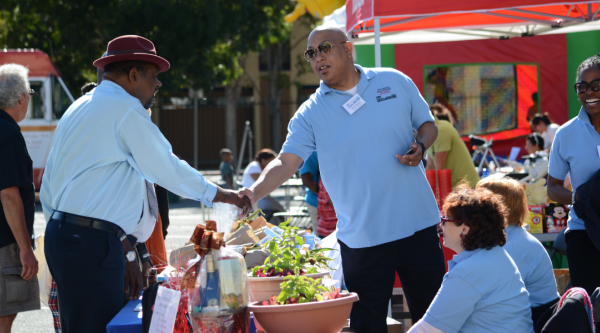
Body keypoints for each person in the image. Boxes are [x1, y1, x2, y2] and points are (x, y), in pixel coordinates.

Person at [239, 26, 445, 332]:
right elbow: (285, 162)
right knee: (367, 325)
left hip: (417, 226)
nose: (318, 58)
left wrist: (421, 145)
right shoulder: (310, 113)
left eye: (324, 48)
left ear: (348, 49)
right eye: (311, 53)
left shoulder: (393, 80)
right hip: (364, 238)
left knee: (435, 321)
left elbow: (428, 125)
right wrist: (251, 194)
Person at [40, 35, 250, 333]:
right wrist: (224, 195)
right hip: (90, 242)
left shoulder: (80, 107)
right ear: (133, 75)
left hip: (69, 236)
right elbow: (168, 169)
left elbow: (50, 185)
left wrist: (121, 246)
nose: (158, 85)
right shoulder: (124, 108)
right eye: (154, 76)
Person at [408, 187, 534, 333]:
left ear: (464, 229)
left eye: (445, 220)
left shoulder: (470, 270)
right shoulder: (494, 254)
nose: (440, 225)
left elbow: (428, 331)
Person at [547, 53, 600, 297]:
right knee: (587, 306)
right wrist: (580, 198)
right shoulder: (565, 133)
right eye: (582, 86)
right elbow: (553, 187)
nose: (588, 92)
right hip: (583, 230)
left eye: (596, 85)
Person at [476, 178, 560, 323]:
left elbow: (494, 296)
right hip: (525, 313)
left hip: (538, 319)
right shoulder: (507, 236)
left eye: (478, 201)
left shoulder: (513, 246)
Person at [0, 64, 41, 333]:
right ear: (21, 98)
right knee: (5, 314)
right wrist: (26, 249)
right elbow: (9, 195)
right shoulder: (9, 132)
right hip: (5, 241)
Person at [426, 103, 479, 188]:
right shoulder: (430, 133)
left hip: (467, 187)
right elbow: (430, 166)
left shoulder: (441, 130)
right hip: (457, 188)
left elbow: (439, 168)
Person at [242, 149, 284, 221]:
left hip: (258, 198)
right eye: (271, 161)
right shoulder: (254, 165)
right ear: (263, 160)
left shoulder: (261, 168)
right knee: (280, 209)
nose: (273, 163)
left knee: (280, 209)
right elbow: (264, 182)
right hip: (253, 200)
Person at [300, 151, 319, 232]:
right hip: (317, 203)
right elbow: (306, 180)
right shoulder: (311, 153)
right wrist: (324, 198)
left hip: (336, 203)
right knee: (322, 239)